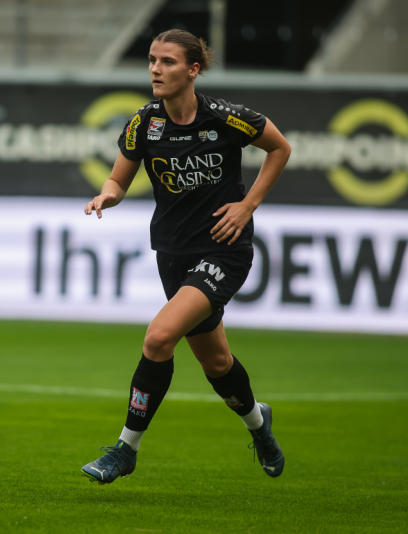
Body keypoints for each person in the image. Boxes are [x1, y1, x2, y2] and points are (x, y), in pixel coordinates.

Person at [81, 29, 291, 484]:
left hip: (224, 249)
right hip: (173, 255)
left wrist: (247, 205)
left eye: (168, 61)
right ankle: (259, 424)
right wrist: (109, 194)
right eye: (152, 60)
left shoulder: (225, 118)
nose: (155, 69)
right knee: (217, 363)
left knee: (159, 338)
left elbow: (280, 147)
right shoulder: (144, 123)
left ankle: (125, 449)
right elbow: (118, 179)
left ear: (193, 69)